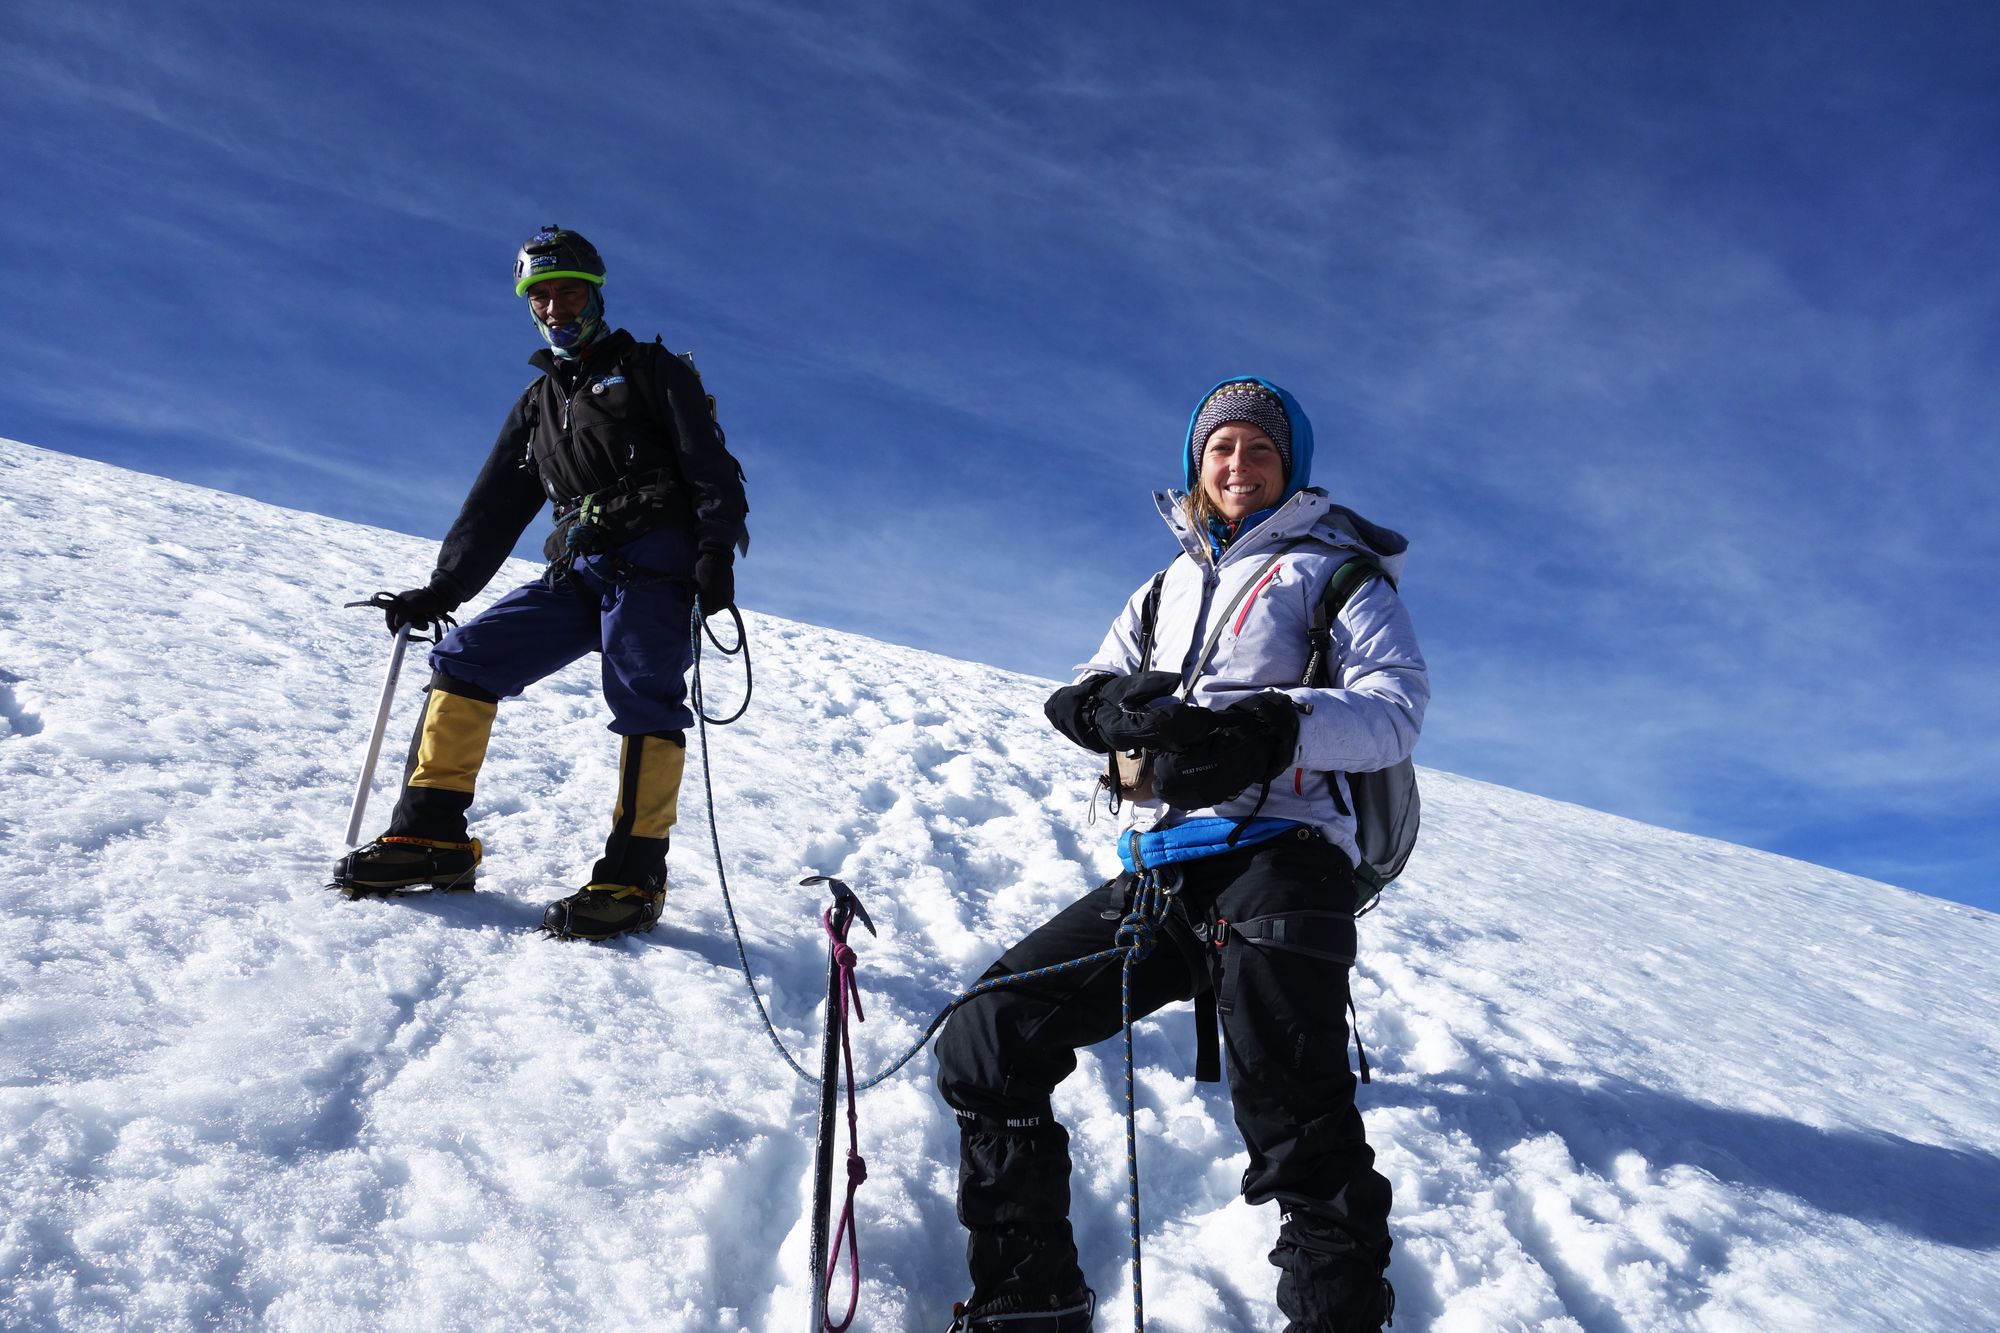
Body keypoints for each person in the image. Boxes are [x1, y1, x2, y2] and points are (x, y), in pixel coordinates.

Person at [935, 378, 1427, 1332]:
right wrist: (1098, 709)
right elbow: (1090, 678)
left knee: (1297, 1119)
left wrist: (1270, 727)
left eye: (1261, 450)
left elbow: (1396, 708)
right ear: (1198, 465)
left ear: (1293, 469)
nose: (1238, 464)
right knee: (989, 1032)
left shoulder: (1338, 573)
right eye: (1222, 448)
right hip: (1164, 867)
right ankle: (1030, 1299)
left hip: (1288, 860)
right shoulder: (1164, 585)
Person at [332, 225, 749, 941]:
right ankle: (432, 838)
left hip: (652, 562)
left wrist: (714, 551)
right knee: (466, 658)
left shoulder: (651, 369)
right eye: (540, 296)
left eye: (566, 292)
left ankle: (634, 875)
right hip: (579, 568)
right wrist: (444, 589)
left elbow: (711, 466)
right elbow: (494, 506)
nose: (554, 307)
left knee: (644, 696)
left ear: (594, 293)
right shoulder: (539, 405)